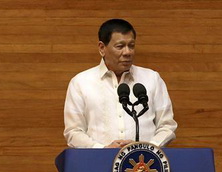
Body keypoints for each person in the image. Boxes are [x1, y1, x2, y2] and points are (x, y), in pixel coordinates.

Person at [63, 19, 177, 148]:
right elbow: (73, 132)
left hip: (145, 160)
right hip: (99, 159)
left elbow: (167, 126)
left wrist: (146, 149)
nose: (127, 52)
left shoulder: (152, 79)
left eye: (131, 46)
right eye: (120, 46)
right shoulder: (81, 83)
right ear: (102, 48)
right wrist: (102, 149)